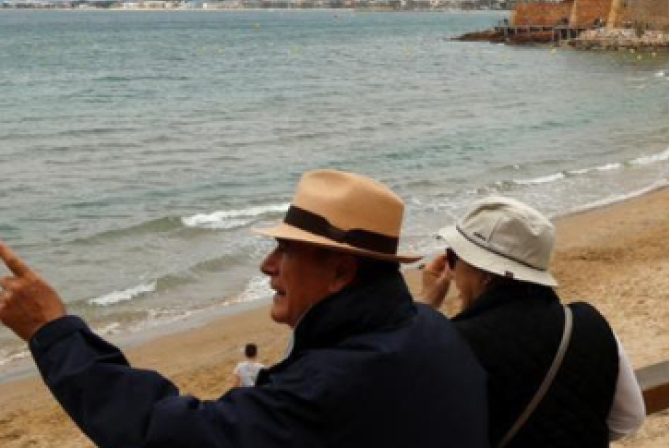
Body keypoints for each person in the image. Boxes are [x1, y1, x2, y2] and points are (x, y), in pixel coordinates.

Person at [0, 169, 488, 448]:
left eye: (285, 251)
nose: (267, 265)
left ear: (340, 272)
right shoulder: (430, 329)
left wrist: (53, 331)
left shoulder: (336, 382)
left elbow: (167, 435)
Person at [420, 196, 646, 447]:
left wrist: (426, 306)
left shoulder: (453, 344)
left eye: (453, 258)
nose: (451, 274)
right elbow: (629, 419)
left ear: (484, 273)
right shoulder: (585, 321)